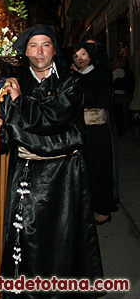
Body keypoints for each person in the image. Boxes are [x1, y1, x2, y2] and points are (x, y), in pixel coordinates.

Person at [0, 25, 103, 298]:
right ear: (24, 51)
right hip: (29, 170)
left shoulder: (70, 82)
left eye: (46, 45)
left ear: (55, 49)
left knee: (64, 237)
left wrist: (18, 102)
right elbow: (8, 134)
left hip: (64, 172)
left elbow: (54, 118)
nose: (39, 52)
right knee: (27, 237)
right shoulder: (15, 81)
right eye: (33, 45)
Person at [73, 43, 117, 224]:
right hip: (80, 130)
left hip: (97, 129)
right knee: (83, 170)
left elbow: (101, 98)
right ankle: (87, 207)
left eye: (83, 54)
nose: (80, 58)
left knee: (99, 168)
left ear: (91, 56)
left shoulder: (100, 73)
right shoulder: (74, 76)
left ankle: (103, 209)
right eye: (76, 56)